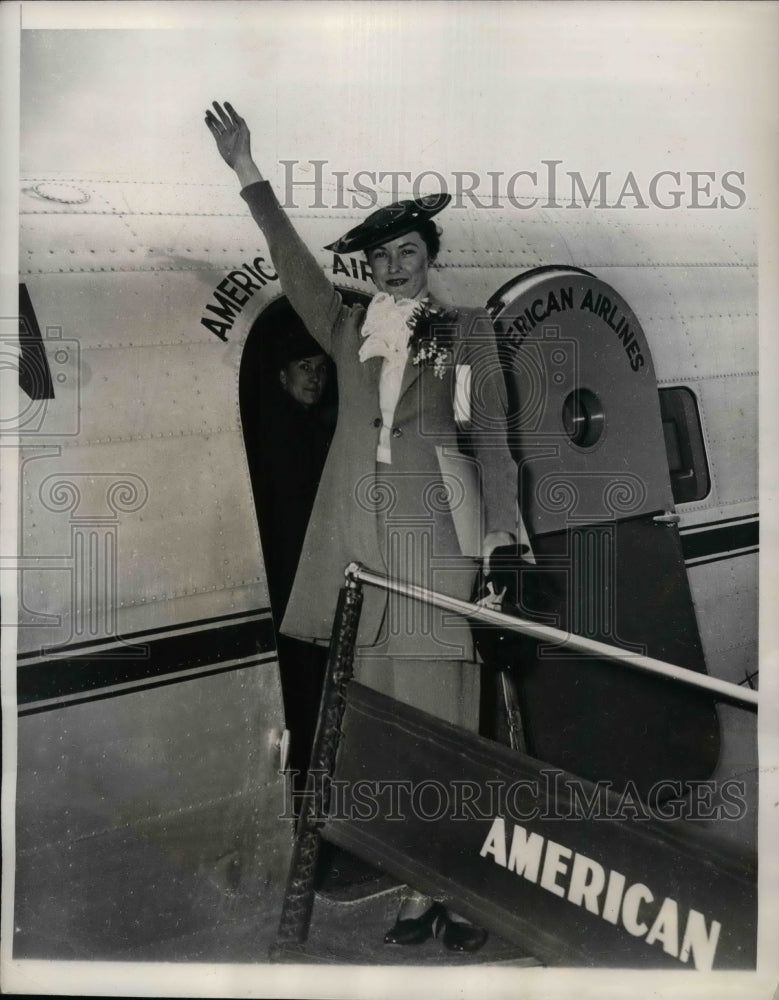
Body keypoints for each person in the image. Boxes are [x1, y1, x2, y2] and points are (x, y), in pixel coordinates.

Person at [206, 101, 518, 953]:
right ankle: (418, 891)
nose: (393, 269)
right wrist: (247, 170)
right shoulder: (346, 328)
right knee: (384, 739)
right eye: (380, 258)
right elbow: (294, 264)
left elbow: (491, 441)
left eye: (406, 254)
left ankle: (466, 894)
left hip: (434, 557)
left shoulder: (466, 332)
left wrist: (500, 542)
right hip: (360, 564)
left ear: (429, 258)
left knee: (446, 739)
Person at [246, 319, 334, 793]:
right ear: (283, 376)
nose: (315, 377)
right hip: (296, 589)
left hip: (304, 587)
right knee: (306, 692)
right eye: (304, 367)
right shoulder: (283, 434)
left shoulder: (301, 426)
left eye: (321, 367)